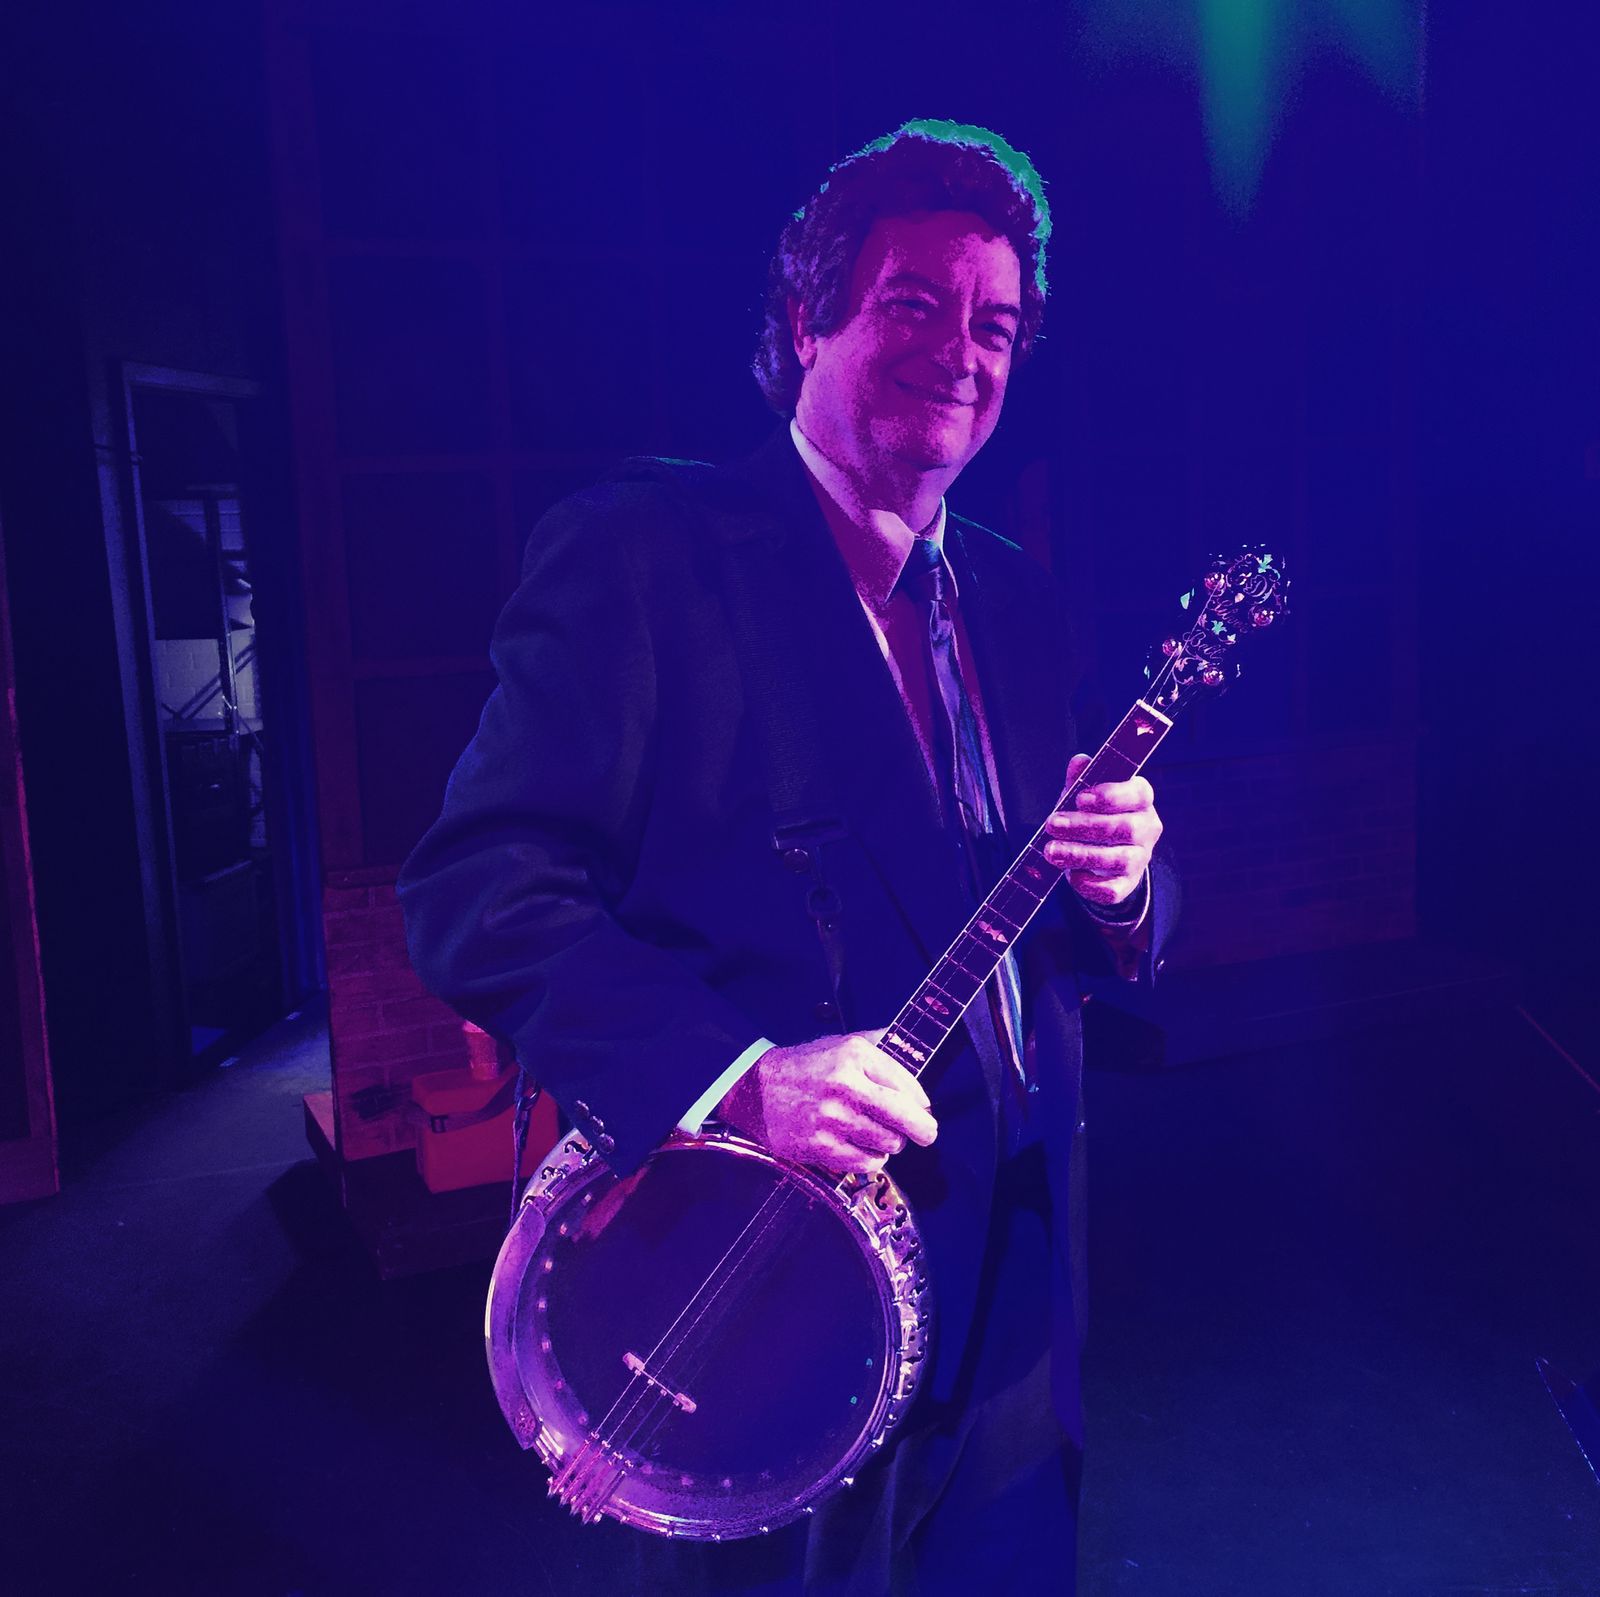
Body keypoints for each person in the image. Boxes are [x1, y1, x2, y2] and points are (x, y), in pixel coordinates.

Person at [398, 119, 1175, 1595]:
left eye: (995, 324)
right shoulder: (645, 555)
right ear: (808, 317)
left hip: (1021, 1284)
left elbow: (1038, 912)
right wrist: (742, 1076)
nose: (960, 351)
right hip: (766, 1296)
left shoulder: (1018, 600)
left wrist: (1126, 884)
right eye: (914, 302)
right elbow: (476, 888)